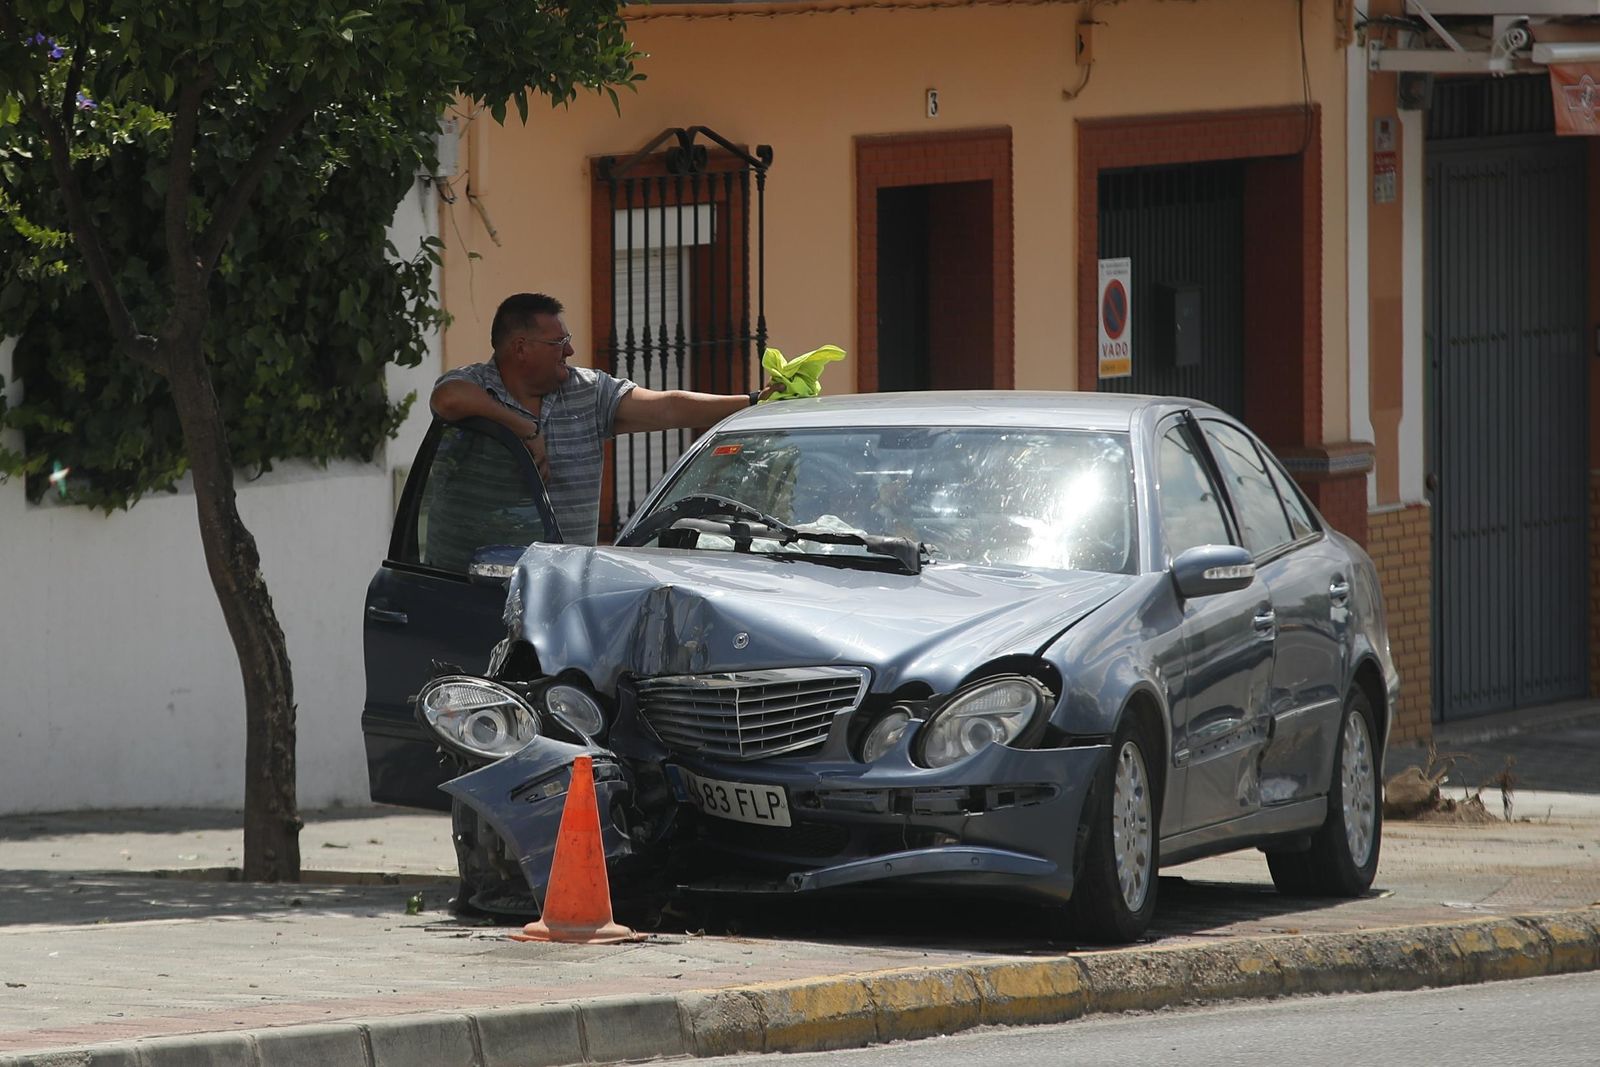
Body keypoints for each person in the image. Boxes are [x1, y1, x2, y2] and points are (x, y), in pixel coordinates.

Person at [430, 292, 774, 546]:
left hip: (564, 591)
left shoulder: (590, 391)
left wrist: (754, 400)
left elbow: (667, 407)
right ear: (521, 348)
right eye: (559, 342)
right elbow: (446, 399)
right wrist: (522, 428)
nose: (569, 351)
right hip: (473, 584)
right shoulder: (476, 384)